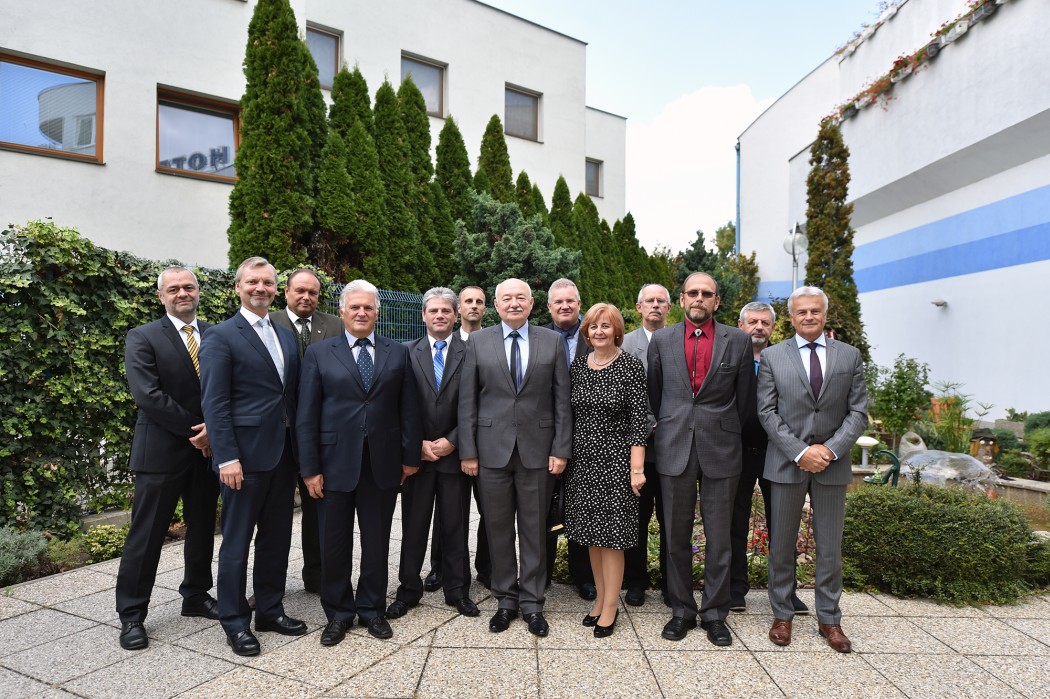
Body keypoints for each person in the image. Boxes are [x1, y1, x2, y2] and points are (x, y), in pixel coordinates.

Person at [297, 279, 422, 646]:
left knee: (377, 541)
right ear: (342, 311)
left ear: (378, 313)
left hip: (382, 465)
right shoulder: (320, 354)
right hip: (333, 465)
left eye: (368, 308)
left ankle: (371, 609)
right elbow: (307, 415)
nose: (362, 313)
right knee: (333, 543)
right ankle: (338, 612)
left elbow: (409, 409)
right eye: (355, 307)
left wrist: (409, 458)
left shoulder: (396, 353)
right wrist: (309, 469)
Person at [200, 257, 306, 657]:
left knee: (277, 538)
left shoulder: (283, 334)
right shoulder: (221, 336)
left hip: (282, 455)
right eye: (252, 282)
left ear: (275, 289)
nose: (260, 288)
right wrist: (226, 457)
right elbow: (215, 402)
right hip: (242, 460)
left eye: (267, 282)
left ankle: (270, 610)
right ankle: (234, 621)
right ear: (238, 287)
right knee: (237, 541)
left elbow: (288, 396)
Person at [459, 278, 572, 637]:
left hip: (539, 452)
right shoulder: (478, 341)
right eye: (506, 298)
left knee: (535, 529)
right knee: (498, 529)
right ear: (496, 303)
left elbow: (561, 401)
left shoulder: (551, 341)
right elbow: (468, 402)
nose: (513, 303)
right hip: (491, 452)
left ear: (532, 302)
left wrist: (560, 448)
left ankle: (533, 604)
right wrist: (469, 451)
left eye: (520, 297)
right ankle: (505, 601)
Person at [115, 266, 219, 651]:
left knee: (203, 526)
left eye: (188, 287)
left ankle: (195, 595)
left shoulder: (215, 333)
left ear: (198, 292)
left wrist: (215, 432)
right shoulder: (142, 337)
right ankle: (131, 614)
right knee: (147, 534)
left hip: (207, 454)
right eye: (173, 289)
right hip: (162, 452)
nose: (182, 293)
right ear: (161, 296)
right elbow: (148, 396)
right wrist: (201, 431)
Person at [759, 286, 868, 653]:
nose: (809, 317)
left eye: (815, 311)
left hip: (832, 467)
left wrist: (831, 450)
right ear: (791, 317)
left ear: (825, 314)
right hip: (787, 463)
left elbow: (858, 412)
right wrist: (801, 450)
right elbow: (766, 412)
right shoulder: (774, 357)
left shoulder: (849, 356)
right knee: (782, 546)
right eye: (801, 312)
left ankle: (830, 620)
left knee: (829, 547)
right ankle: (782, 615)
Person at [647, 272, 754, 646]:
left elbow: (745, 401)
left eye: (706, 294)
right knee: (675, 536)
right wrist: (664, 427)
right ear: (681, 299)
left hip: (722, 450)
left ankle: (714, 613)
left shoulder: (737, 341)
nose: (699, 298)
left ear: (717, 301)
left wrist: (721, 429)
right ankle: (680, 610)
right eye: (692, 293)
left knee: (720, 537)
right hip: (673, 448)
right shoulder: (661, 340)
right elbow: (653, 395)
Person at [387, 287, 480, 620]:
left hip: (455, 456)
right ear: (423, 315)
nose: (439, 316)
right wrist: (417, 446)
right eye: (433, 311)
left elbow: (478, 403)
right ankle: (408, 590)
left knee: (455, 527)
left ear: (455, 315)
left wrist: (453, 441)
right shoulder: (404, 353)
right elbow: (397, 404)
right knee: (413, 527)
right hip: (419, 458)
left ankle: (458, 591)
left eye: (446, 311)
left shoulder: (473, 353)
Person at [564, 304, 648, 638]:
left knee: (612, 539)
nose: (599, 331)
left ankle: (611, 607)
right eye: (593, 326)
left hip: (616, 462)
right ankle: (600, 599)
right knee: (591, 537)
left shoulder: (629, 365)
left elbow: (639, 420)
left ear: (617, 331)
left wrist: (636, 469)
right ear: (586, 332)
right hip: (583, 462)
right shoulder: (579, 366)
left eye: (606, 326)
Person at [728, 302, 809, 614]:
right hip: (737, 452)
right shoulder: (730, 357)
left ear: (774, 328)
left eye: (764, 322)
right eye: (752, 322)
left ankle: (786, 592)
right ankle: (735, 589)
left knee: (783, 523)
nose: (758, 327)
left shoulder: (786, 359)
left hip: (779, 452)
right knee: (734, 522)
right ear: (740, 324)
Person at [269, 268, 343, 594]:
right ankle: (270, 584)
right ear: (285, 292)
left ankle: (319, 577)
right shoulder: (267, 324)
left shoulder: (336, 326)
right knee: (275, 515)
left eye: (312, 293)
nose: (306, 297)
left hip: (321, 435)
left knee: (319, 511)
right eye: (299, 291)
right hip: (277, 436)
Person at [424, 285, 491, 592]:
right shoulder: (442, 341)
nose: (474, 306)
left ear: (485, 309)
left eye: (479, 301)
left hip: (482, 443)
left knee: (490, 510)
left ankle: (486, 568)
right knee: (449, 512)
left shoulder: (489, 345)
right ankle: (440, 567)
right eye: (468, 301)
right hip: (445, 448)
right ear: (458, 309)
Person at [542, 278, 596, 599]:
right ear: (549, 307)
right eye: (558, 302)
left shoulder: (595, 337)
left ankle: (583, 576)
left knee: (581, 507)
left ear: (579, 305)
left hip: (588, 438)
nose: (564, 306)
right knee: (544, 507)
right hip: (545, 437)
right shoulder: (537, 337)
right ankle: (542, 574)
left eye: (570, 301)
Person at [620, 283, 671, 607]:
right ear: (639, 307)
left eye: (660, 301)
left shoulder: (678, 341)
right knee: (635, 519)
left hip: (672, 447)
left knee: (671, 521)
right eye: (649, 301)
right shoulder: (624, 344)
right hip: (635, 449)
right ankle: (635, 581)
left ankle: (671, 583)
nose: (654, 305)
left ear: (669, 308)